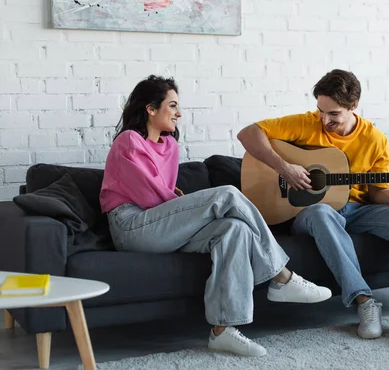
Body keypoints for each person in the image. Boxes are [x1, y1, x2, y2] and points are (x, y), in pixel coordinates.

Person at [99, 75, 332, 357]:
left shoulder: (170, 145)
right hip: (132, 226)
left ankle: (223, 330)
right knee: (227, 195)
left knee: (235, 229)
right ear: (150, 108)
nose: (179, 113)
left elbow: (163, 192)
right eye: (172, 106)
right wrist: (188, 206)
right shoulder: (129, 141)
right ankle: (281, 275)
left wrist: (185, 208)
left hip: (161, 226)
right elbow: (148, 195)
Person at [237, 69, 389, 345]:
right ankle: (365, 301)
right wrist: (284, 168)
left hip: (358, 210)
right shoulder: (306, 123)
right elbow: (248, 133)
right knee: (321, 212)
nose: (324, 119)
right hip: (314, 214)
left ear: (353, 106)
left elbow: (378, 193)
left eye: (333, 114)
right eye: (321, 111)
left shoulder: (374, 139)